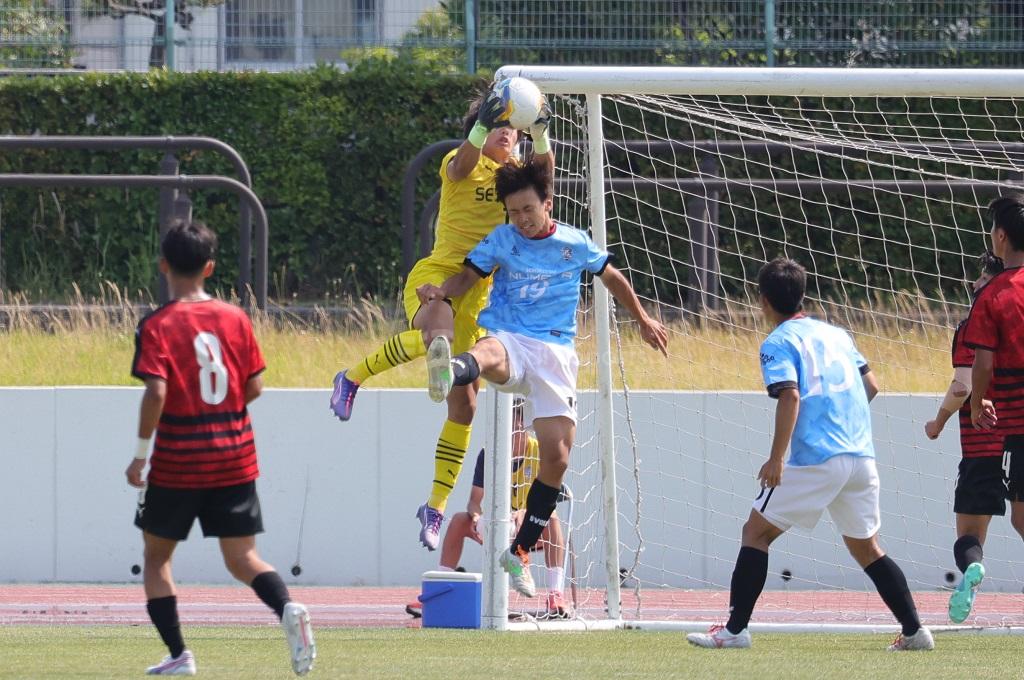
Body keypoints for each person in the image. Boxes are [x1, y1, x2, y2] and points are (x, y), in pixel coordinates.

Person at [416, 161, 668, 598]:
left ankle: (518, 552)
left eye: (528, 210)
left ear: (547, 204)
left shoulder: (574, 242)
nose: (521, 219)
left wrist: (643, 319)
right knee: (489, 351)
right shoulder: (502, 239)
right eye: (514, 212)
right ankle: (450, 370)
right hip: (510, 336)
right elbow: (466, 277)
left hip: (554, 353)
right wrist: (441, 291)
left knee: (557, 458)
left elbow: (612, 277)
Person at [330, 84, 555, 552]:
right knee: (438, 333)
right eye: (499, 126)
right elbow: (461, 166)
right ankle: (351, 378)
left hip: (479, 294)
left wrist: (541, 134)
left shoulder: (514, 179)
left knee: (465, 408)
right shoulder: (460, 160)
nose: (507, 135)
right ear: (482, 129)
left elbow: (544, 179)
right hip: (439, 275)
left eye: (512, 129)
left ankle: (434, 507)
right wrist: (481, 126)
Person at [686, 257, 933, 652]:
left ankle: (734, 630)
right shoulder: (838, 335)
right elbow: (871, 385)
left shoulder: (777, 342)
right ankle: (915, 631)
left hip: (818, 458)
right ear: (802, 294)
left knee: (755, 532)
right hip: (860, 456)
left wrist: (776, 458)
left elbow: (790, 395)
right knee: (867, 548)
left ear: (763, 301)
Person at [127, 220, 315, 676]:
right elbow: (255, 386)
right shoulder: (235, 318)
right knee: (243, 558)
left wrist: (140, 454)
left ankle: (179, 654)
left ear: (163, 265)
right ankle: (287, 608)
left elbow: (156, 391)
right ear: (210, 267)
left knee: (156, 558)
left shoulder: (157, 324)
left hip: (178, 463)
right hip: (234, 457)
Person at [407, 399, 572, 619]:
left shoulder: (540, 451)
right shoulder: (490, 453)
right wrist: (476, 516)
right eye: (507, 426)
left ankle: (555, 595)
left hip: (530, 526)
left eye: (516, 425)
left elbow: (548, 496)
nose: (512, 432)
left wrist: (525, 513)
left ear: (524, 425)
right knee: (459, 520)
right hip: (498, 523)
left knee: (552, 517)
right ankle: (439, 590)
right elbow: (474, 500)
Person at [924, 250, 1015, 623]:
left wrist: (938, 421)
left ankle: (973, 571)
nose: (974, 283)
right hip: (1018, 441)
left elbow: (962, 386)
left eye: (982, 277)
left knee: (969, 536)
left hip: (983, 446)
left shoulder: (974, 324)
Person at [961, 193, 1024, 616]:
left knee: (1017, 518)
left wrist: (977, 403)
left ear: (1000, 236)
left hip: (1016, 423)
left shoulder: (994, 295)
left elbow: (981, 364)